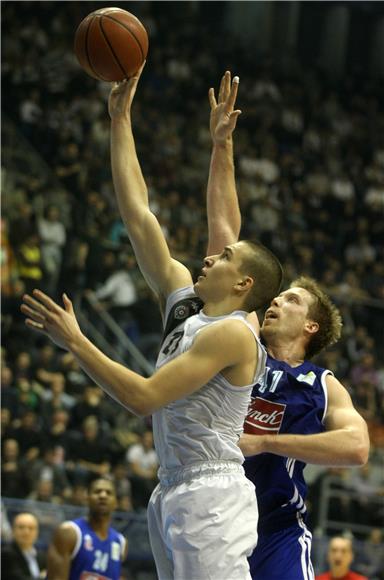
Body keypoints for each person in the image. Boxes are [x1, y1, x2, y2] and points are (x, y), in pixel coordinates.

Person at [21, 66, 283, 579]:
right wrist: (120, 120)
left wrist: (76, 341)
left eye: (224, 257)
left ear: (243, 284)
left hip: (211, 492)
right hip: (172, 488)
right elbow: (138, 211)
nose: (211, 257)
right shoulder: (185, 305)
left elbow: (143, 397)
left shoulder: (233, 333)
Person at [205, 71, 370, 580]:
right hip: (212, 518)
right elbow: (225, 235)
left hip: (275, 530)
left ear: (312, 326)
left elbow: (357, 447)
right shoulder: (243, 338)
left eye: (292, 299)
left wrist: (267, 443)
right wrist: (221, 146)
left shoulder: (322, 385)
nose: (277, 301)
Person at [46, 476, 127, 580]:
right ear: (87, 498)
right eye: (97, 492)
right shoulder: (69, 533)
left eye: (108, 493)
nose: (103, 495)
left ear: (116, 502)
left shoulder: (121, 543)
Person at [1, 511, 46, 579]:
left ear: (37, 532)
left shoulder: (41, 555)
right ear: (13, 530)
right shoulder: (6, 554)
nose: (26, 532)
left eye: (31, 528)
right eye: (21, 527)